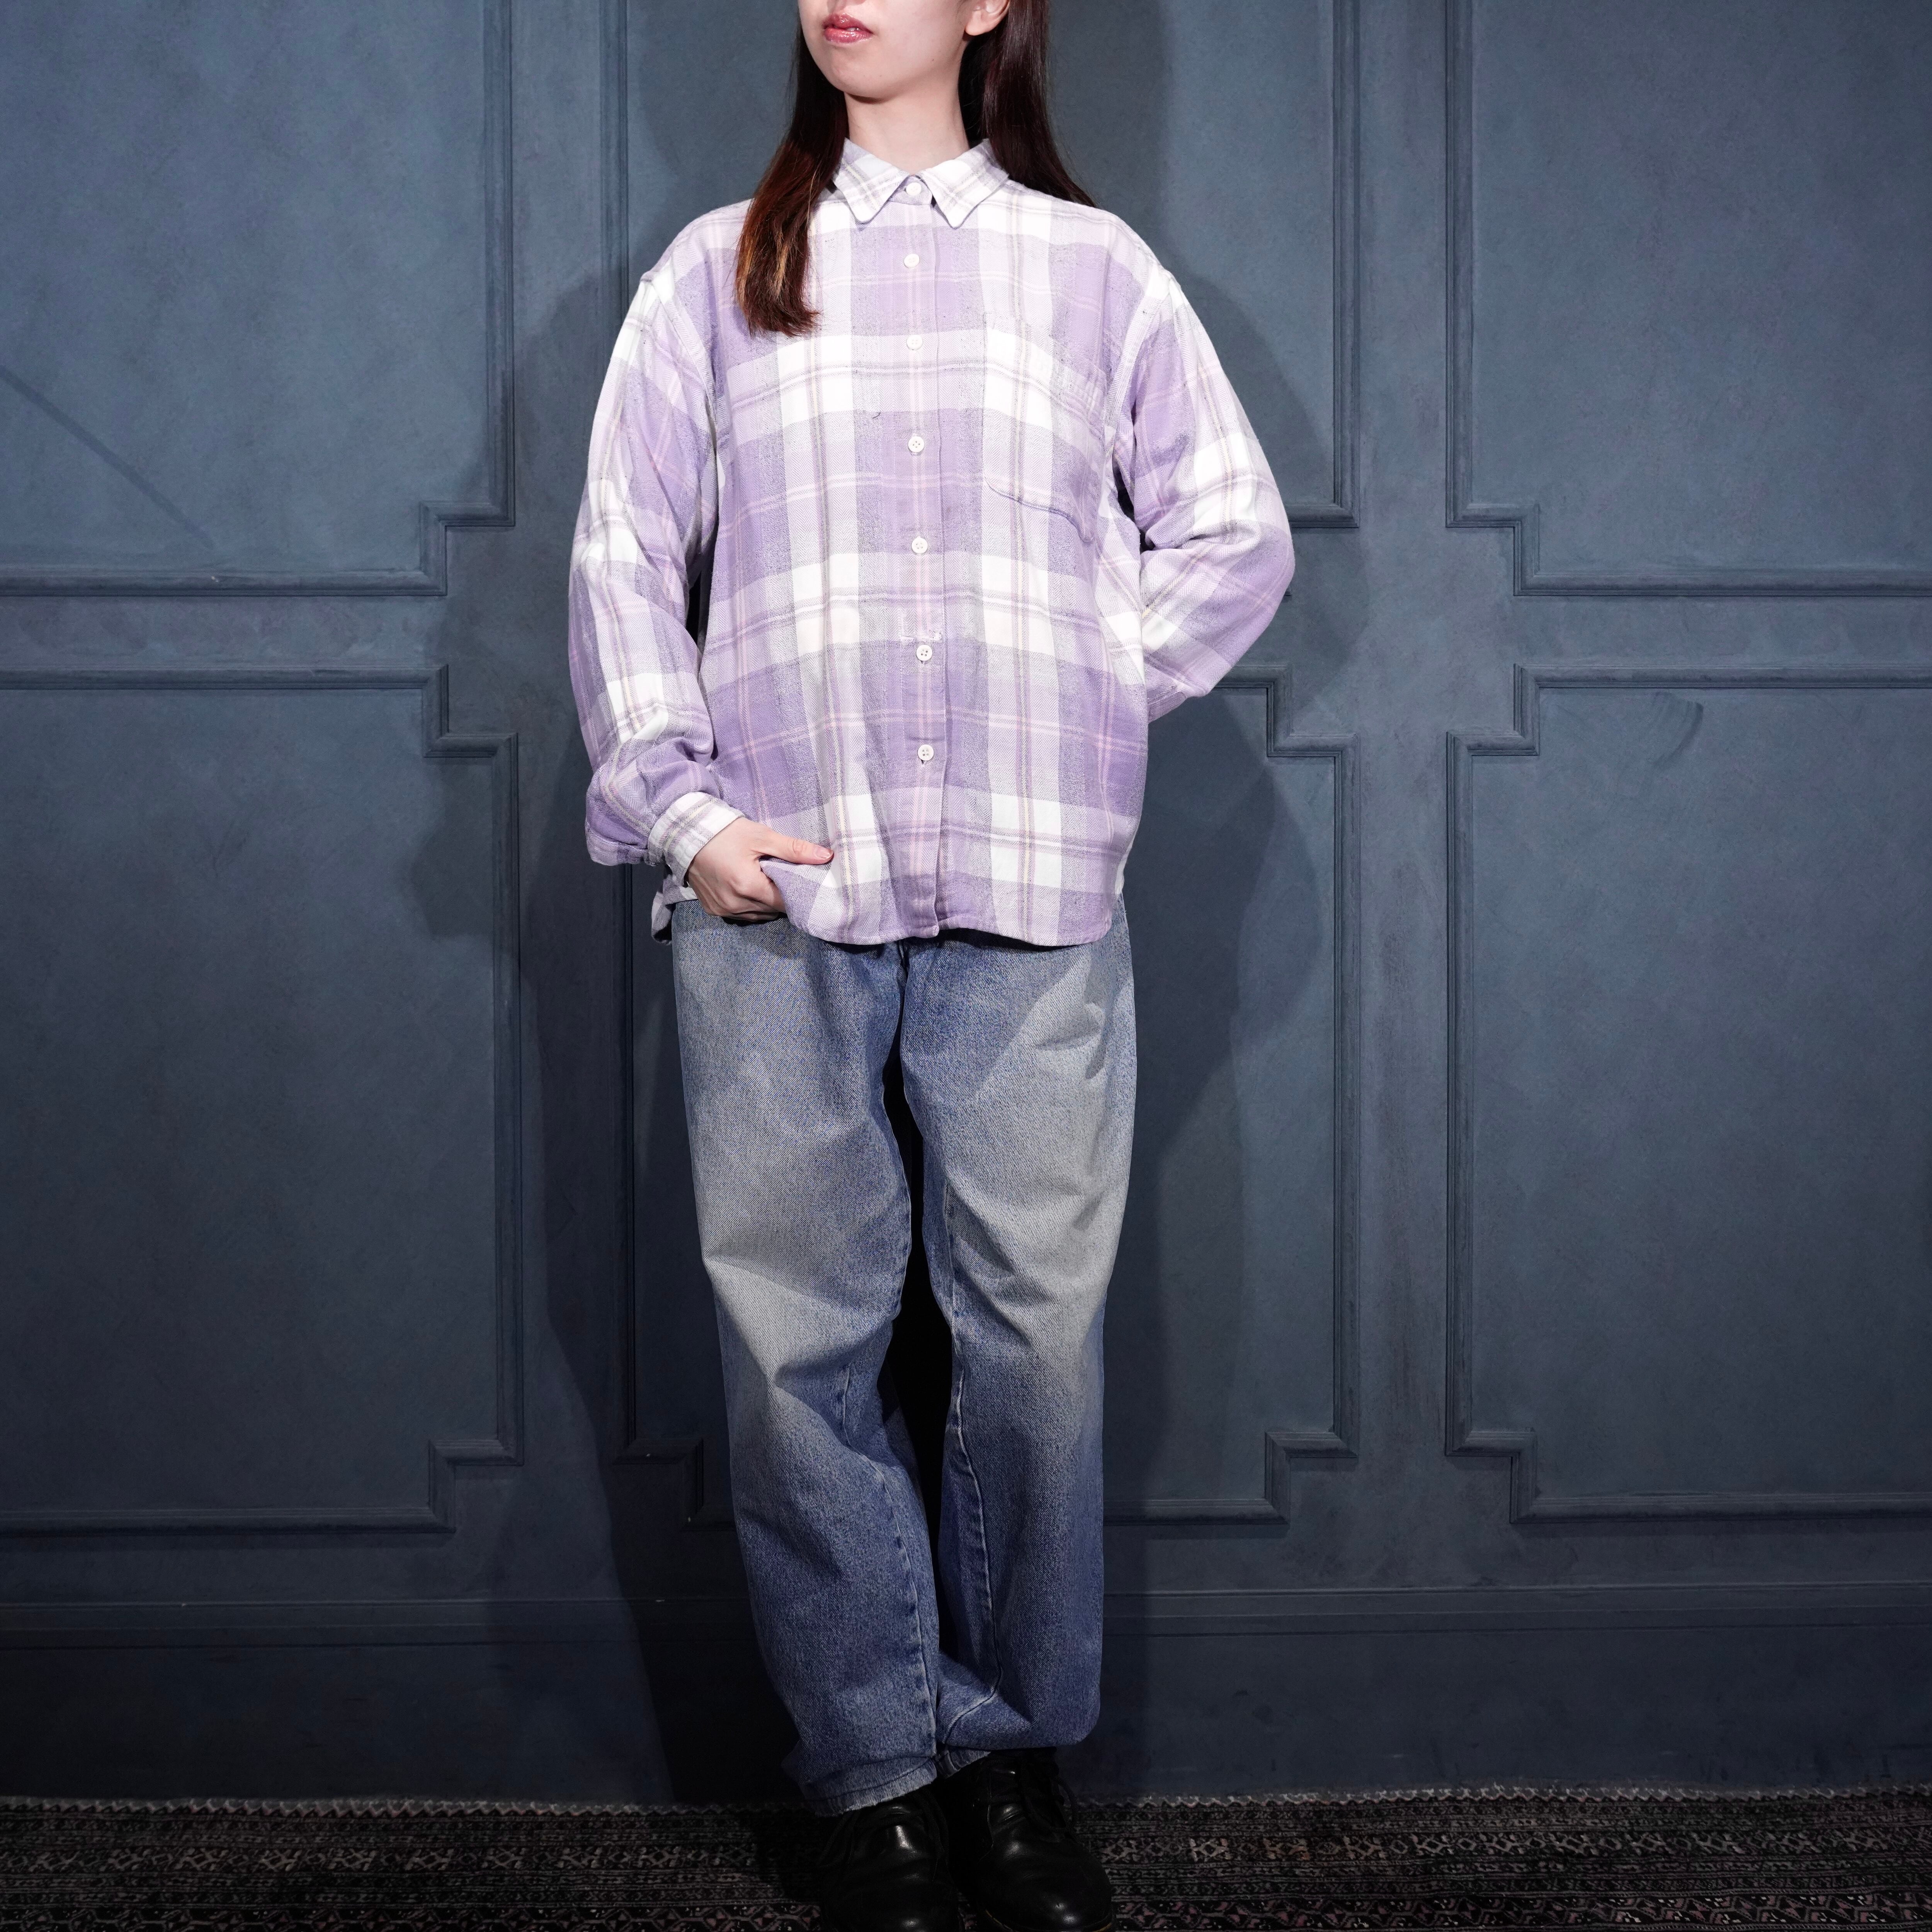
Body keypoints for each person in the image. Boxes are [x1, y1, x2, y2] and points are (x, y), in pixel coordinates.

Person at [568, 1, 1294, 1925]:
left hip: (1029, 887)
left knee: (1028, 1340)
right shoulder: (714, 273)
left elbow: (1231, 534)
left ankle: (1010, 1756)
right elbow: (624, 552)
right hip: (775, 891)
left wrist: (1081, 685)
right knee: (794, 1344)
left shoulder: (1092, 272)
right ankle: (876, 1768)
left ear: (989, 7)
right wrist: (684, 813)